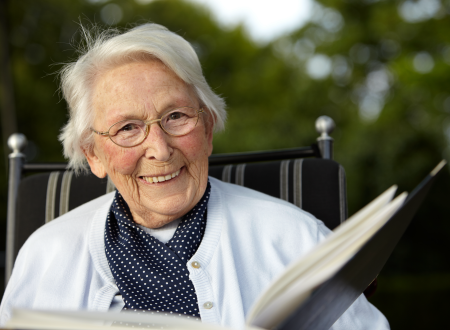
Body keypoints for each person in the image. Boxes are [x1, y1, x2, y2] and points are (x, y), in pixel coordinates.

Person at [0, 24, 389, 329]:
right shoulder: (45, 255)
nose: (160, 148)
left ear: (208, 127)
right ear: (93, 154)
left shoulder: (297, 238)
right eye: (127, 128)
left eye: (176, 117)